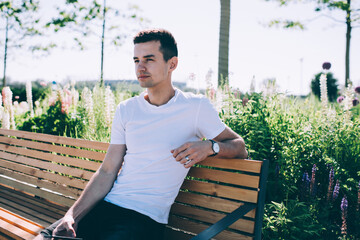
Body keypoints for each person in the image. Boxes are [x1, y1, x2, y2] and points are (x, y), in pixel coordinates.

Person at [34, 29, 247, 240]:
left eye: (149, 59)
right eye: (136, 60)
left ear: (172, 64)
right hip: (107, 207)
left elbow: (239, 146)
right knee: (43, 237)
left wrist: (211, 147)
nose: (140, 67)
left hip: (145, 219)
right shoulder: (127, 109)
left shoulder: (195, 107)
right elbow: (108, 171)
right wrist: (72, 216)